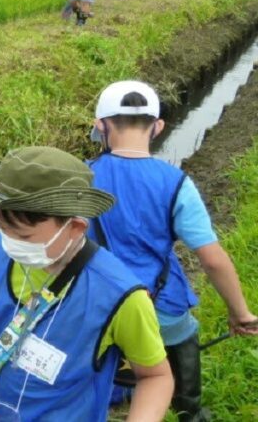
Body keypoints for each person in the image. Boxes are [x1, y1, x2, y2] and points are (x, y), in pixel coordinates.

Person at [0, 146, 173, 421]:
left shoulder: (119, 296)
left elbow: (156, 377)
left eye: (24, 236)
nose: (10, 243)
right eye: (2, 229)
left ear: (75, 228)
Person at [87, 81, 258, 421]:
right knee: (183, 332)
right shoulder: (176, 183)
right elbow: (211, 258)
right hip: (158, 308)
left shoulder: (81, 177)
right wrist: (241, 314)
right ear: (158, 126)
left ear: (100, 126)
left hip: (95, 309)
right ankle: (187, 410)